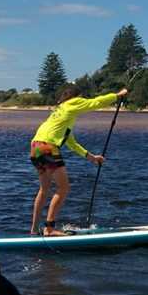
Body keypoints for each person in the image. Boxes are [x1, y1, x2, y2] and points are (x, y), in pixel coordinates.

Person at [29, 84, 128, 236]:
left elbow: (71, 143)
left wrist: (92, 158)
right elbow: (96, 102)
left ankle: (34, 230)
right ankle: (49, 229)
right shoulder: (72, 103)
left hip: (35, 147)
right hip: (48, 146)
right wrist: (117, 96)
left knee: (45, 189)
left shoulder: (61, 113)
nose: (82, 100)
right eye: (80, 97)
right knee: (63, 188)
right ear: (76, 96)